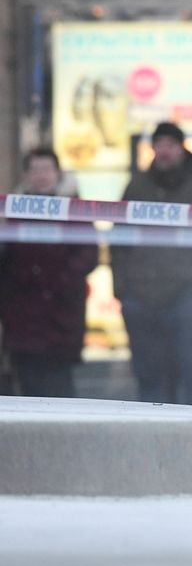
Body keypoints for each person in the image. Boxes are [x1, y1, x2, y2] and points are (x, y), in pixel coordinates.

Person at [112, 122, 192, 405]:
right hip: (142, 299)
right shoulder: (137, 186)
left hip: (190, 300)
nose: (164, 151)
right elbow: (120, 241)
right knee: (150, 380)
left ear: (181, 148)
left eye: (170, 144)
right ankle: (153, 445)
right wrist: (123, 289)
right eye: (159, 144)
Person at [0, 149, 98, 397]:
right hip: (22, 314)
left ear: (57, 172)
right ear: (26, 175)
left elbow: (88, 253)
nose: (41, 176)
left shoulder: (75, 209)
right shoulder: (15, 210)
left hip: (60, 312)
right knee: (27, 385)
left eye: (46, 169)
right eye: (35, 170)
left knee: (59, 387)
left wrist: (61, 281)